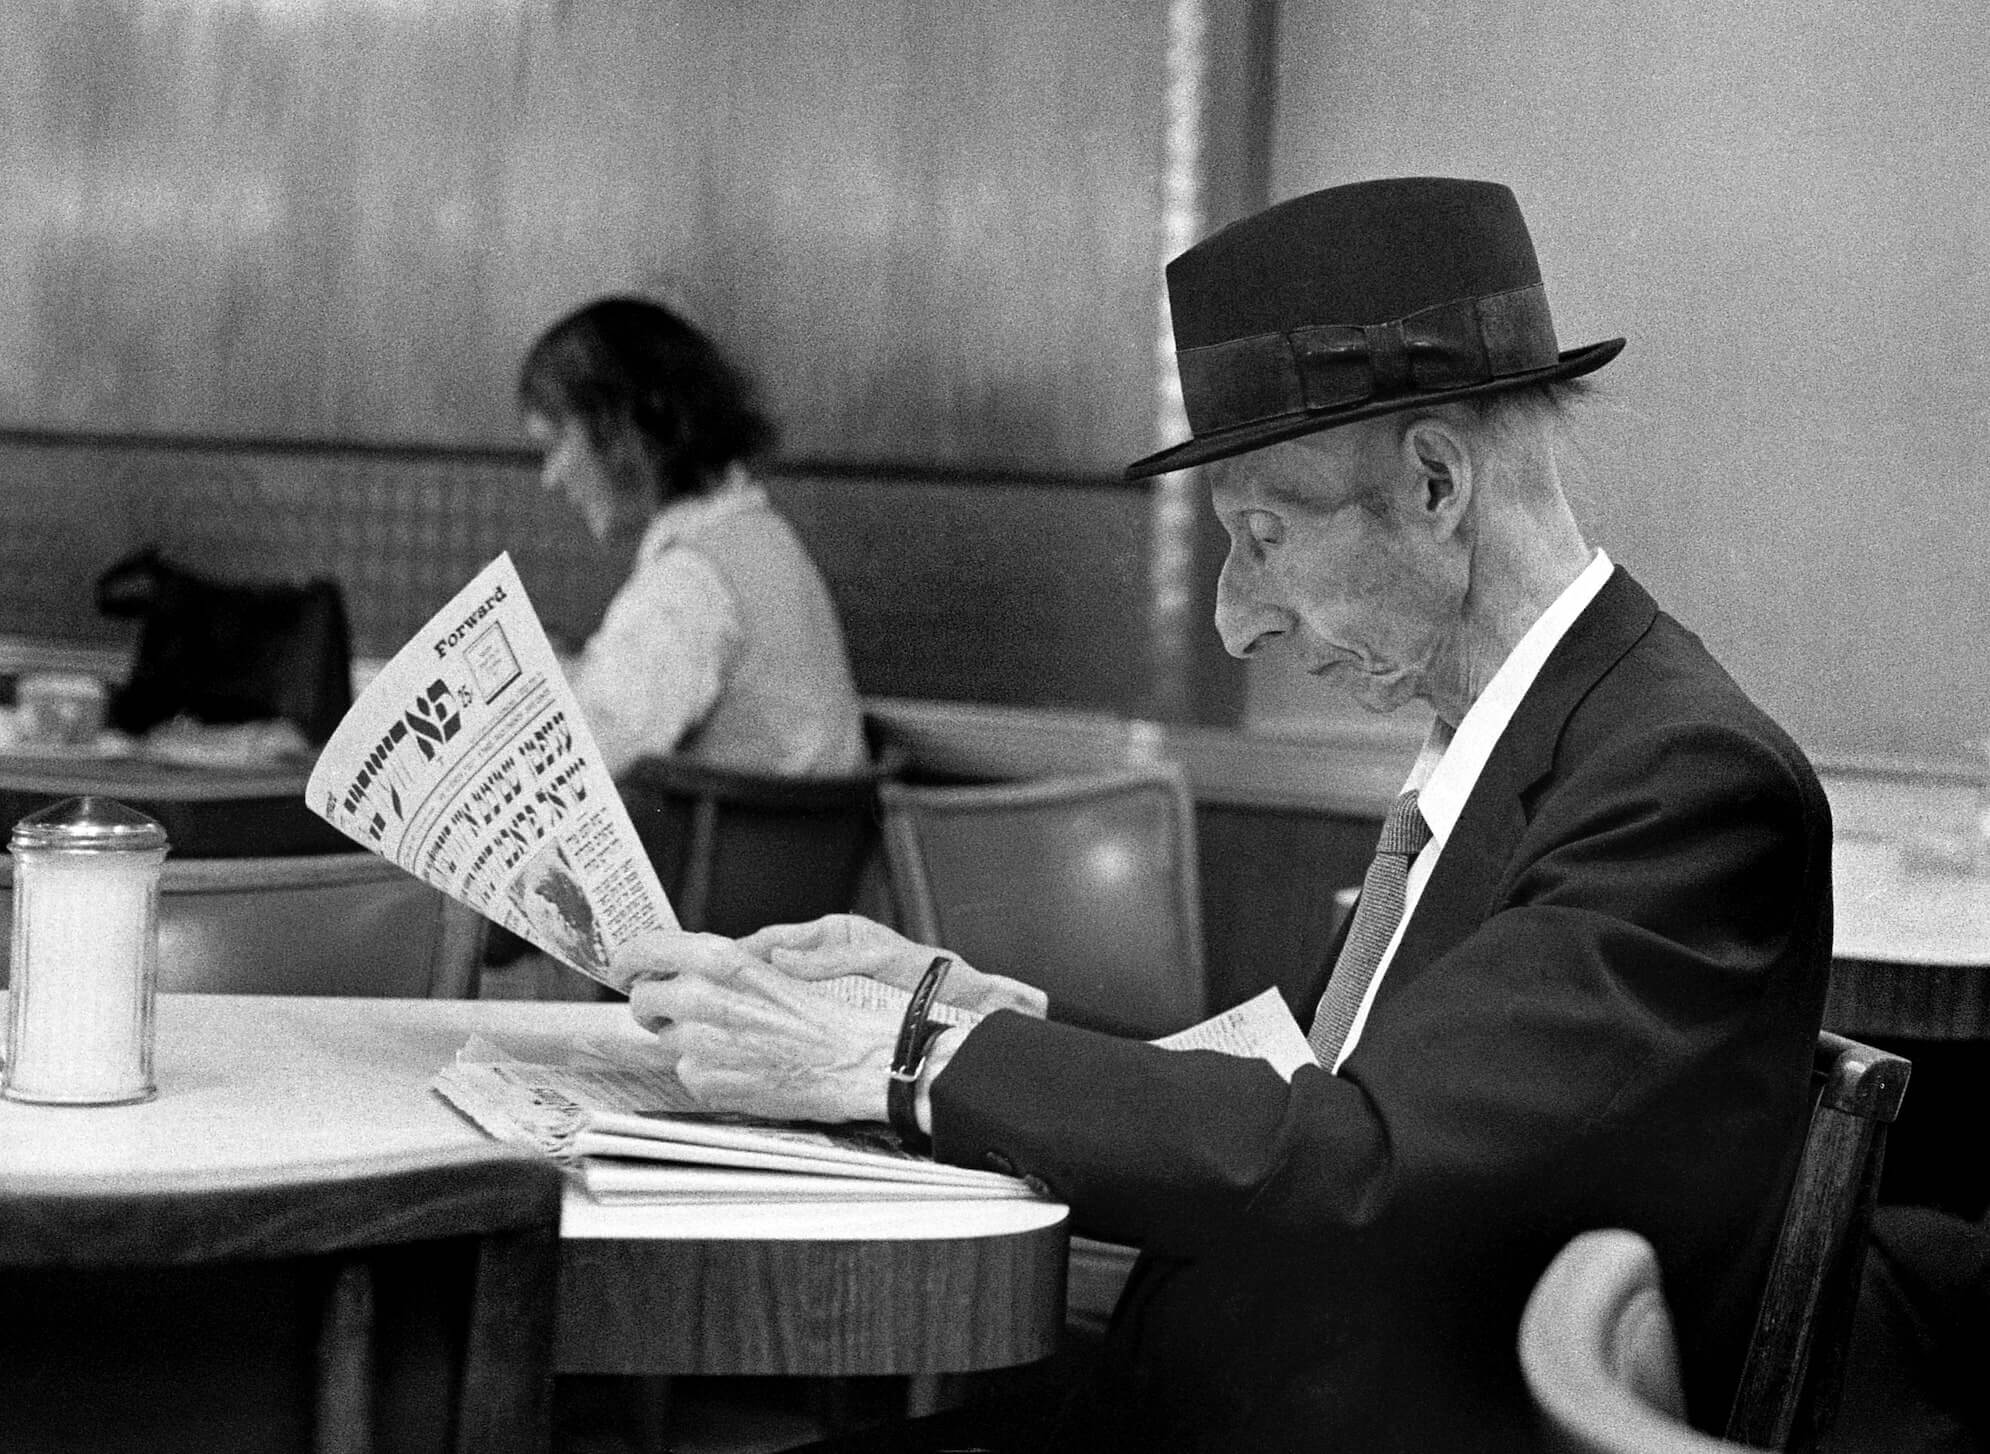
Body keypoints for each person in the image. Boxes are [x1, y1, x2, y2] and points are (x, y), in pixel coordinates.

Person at [622, 178, 1834, 1452]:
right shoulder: (1533, 742)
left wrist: (897, 1061)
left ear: (1434, 484)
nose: (1234, 615)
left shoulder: (1684, 780)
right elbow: (1306, 1095)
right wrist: (965, 1013)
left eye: (1261, 533)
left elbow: (1354, 1157)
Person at [518, 296, 868, 780]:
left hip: (724, 854)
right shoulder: (762, 538)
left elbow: (566, 774)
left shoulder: (686, 587)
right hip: (801, 851)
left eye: (555, 444)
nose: (551, 477)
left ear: (621, 431)